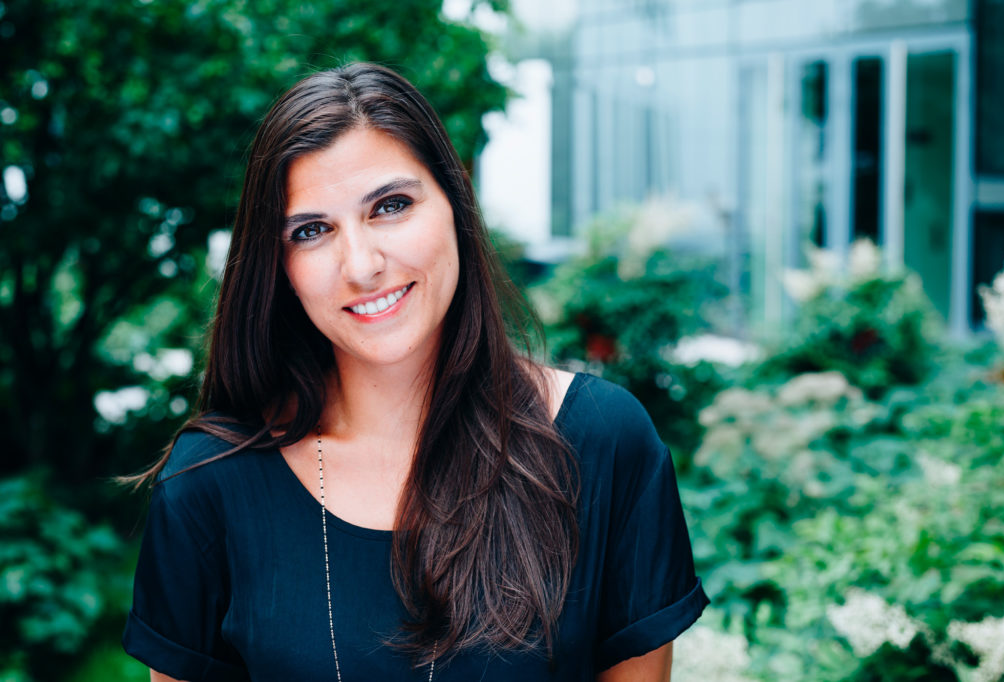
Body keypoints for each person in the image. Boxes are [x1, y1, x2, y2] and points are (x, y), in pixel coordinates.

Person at [122, 62, 708, 681]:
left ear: (458, 200)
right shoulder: (209, 485)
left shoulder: (603, 443)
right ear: (279, 267)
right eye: (312, 230)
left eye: (391, 205)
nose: (362, 264)